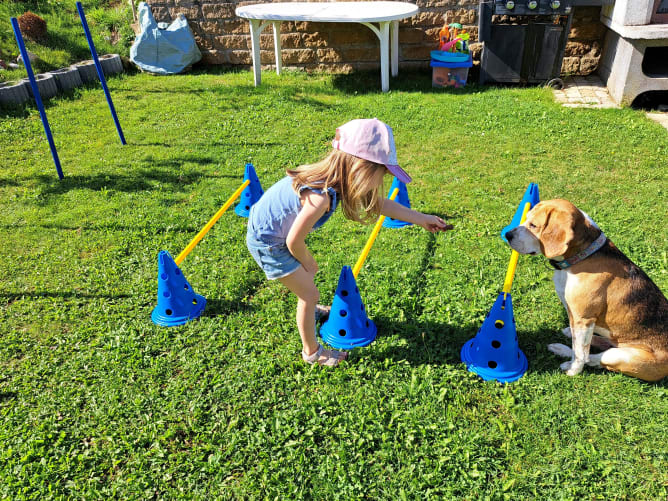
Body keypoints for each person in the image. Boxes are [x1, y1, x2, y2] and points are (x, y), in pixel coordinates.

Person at [246, 118, 452, 367]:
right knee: (309, 294)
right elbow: (293, 241)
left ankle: (311, 309)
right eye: (381, 173)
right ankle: (312, 353)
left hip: (275, 232)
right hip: (269, 242)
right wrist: (308, 261)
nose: (381, 181)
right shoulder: (320, 197)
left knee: (307, 288)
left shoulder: (337, 180)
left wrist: (422, 219)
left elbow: (379, 204)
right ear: (361, 168)